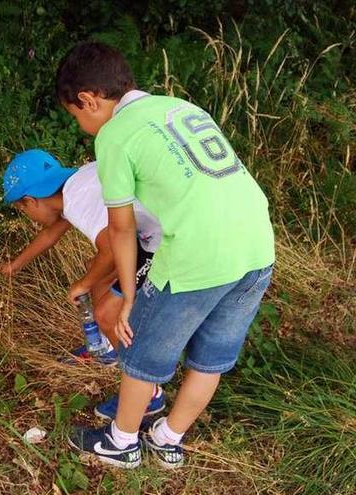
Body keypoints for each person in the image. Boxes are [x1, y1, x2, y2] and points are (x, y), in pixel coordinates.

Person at [58, 41, 274, 469]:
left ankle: (122, 443)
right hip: (257, 246)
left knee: (141, 355)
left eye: (77, 116)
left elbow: (122, 227)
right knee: (210, 358)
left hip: (197, 252)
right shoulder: (181, 108)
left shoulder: (116, 134)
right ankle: (169, 439)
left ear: (89, 100)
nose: (82, 125)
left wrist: (130, 298)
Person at [0, 149, 165, 418]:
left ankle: (149, 394)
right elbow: (51, 233)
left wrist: (83, 284)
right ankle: (108, 347)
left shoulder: (77, 202)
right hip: (149, 231)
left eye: (22, 209)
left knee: (106, 314)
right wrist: (15, 265)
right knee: (96, 270)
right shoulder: (78, 181)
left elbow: (112, 249)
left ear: (30, 201)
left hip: (159, 243)